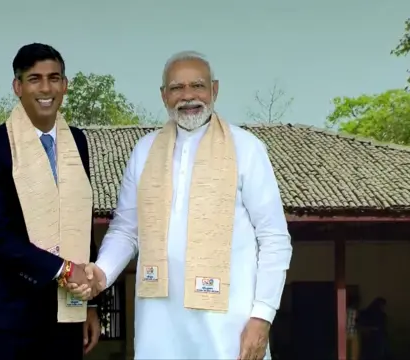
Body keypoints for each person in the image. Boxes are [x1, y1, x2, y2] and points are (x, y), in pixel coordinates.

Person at [70, 51, 293, 359]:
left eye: (197, 86)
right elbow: (126, 230)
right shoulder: (144, 151)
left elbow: (274, 239)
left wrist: (262, 316)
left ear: (214, 90)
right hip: (159, 326)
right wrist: (102, 273)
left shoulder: (247, 149)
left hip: (229, 327)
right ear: (164, 96)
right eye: (176, 88)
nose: (188, 96)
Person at [0, 43, 101, 360]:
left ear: (65, 85)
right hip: (9, 310)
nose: (46, 88)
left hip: (67, 309)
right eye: (35, 78)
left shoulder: (76, 141)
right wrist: (64, 271)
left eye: (54, 78)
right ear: (18, 86)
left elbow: (80, 223)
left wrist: (89, 303)